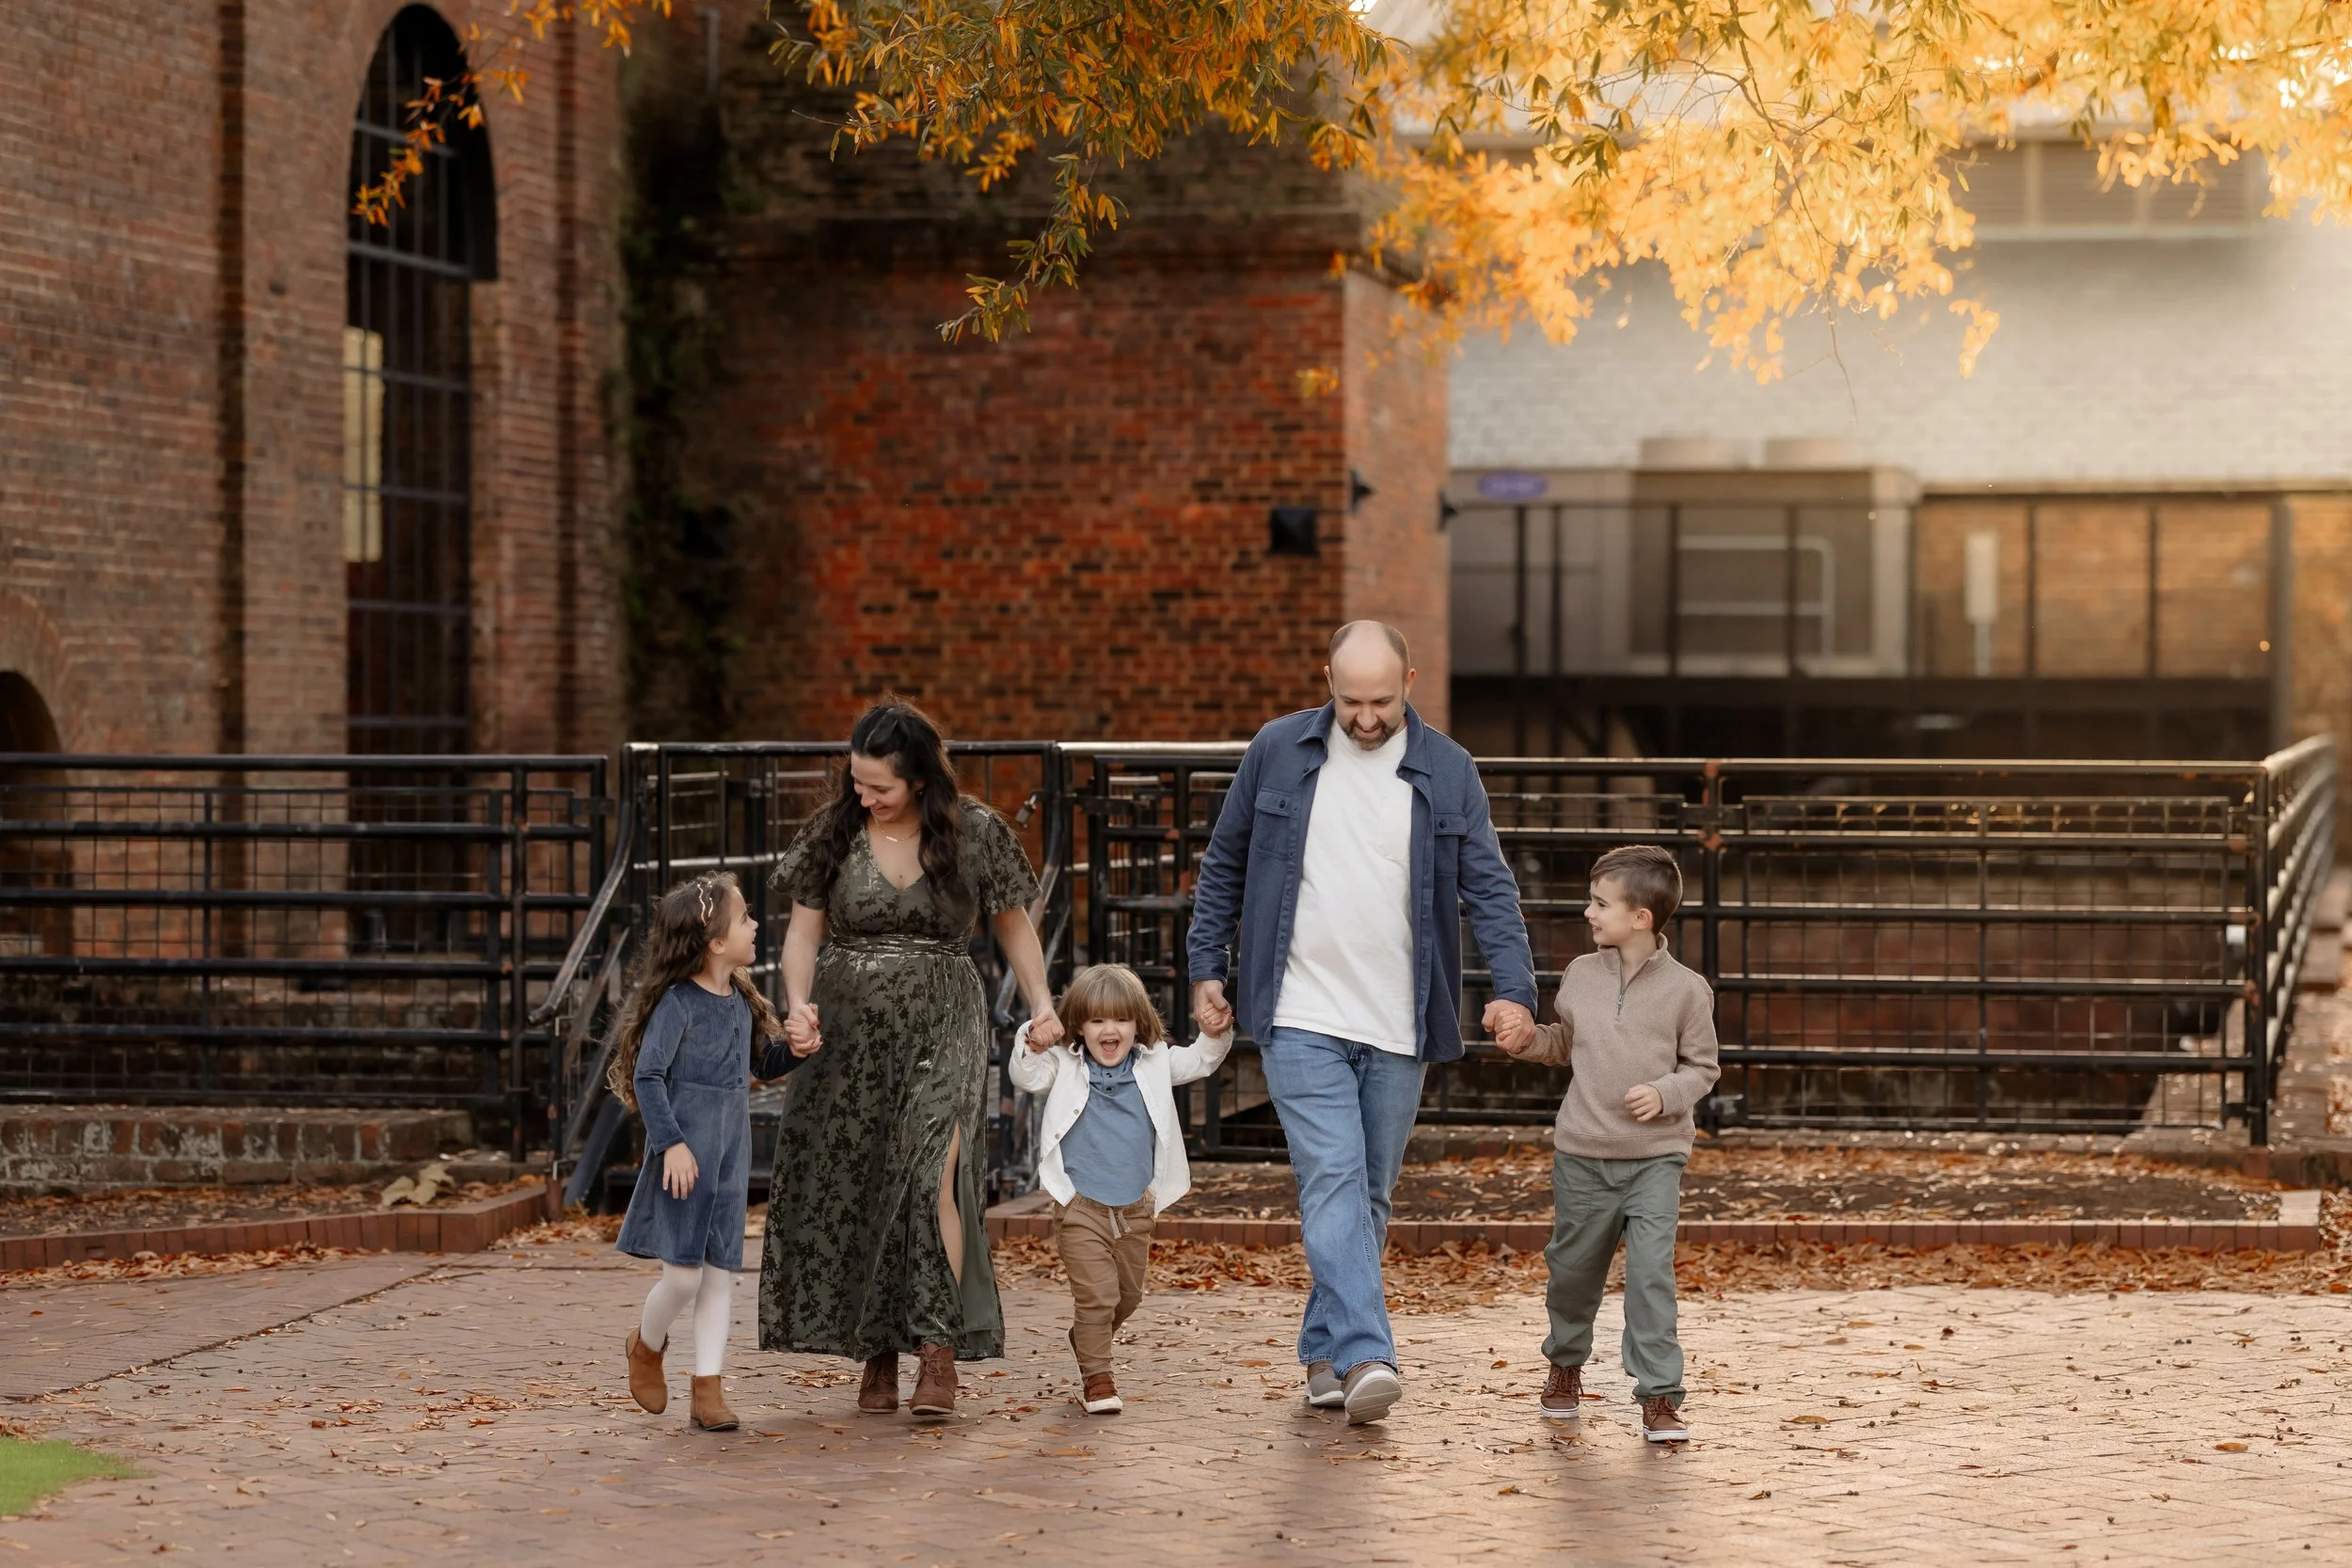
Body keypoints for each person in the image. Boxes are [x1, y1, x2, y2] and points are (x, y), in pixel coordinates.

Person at [1187, 621, 1538, 1425]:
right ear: (1328, 681)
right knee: (1334, 1177)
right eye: (1352, 701)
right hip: (1299, 1009)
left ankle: (1324, 1351)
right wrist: (1208, 967)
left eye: (1382, 700)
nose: (1368, 718)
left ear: (1409, 682)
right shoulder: (1277, 750)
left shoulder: (1448, 768)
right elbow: (1224, 862)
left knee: (1367, 1193)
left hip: (1398, 1019)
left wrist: (1515, 991)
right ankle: (1368, 1353)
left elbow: (1490, 886)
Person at [759, 699, 1062, 1420]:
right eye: (857, 782)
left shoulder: (973, 830)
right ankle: (877, 1351)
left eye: (880, 786)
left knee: (933, 1171)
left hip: (944, 1016)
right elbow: (802, 933)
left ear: (920, 779)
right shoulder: (834, 830)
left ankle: (936, 1347)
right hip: (849, 1030)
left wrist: (1042, 1002)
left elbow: (1014, 924)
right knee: (867, 1177)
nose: (864, 796)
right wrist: (796, 1003)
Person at [1493, 844, 1721, 1444]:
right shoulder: (1580, 974)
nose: (1588, 912)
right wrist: (1527, 1041)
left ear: (1640, 917)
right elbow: (1566, 1043)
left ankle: (1660, 1396)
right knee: (1572, 1274)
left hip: (1655, 1160)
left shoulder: (1688, 990)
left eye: (1600, 903)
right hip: (1583, 1157)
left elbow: (1702, 1068)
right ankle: (1565, 1365)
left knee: (1650, 1278)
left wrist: (1666, 1093)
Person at [612, 871, 810, 1433]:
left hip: (729, 1158)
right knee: (683, 1278)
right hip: (683, 1160)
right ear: (716, 942)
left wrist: (798, 1050)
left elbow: (762, 1063)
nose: (755, 926)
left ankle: (708, 1388)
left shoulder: (742, 1002)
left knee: (720, 1273)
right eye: (745, 918)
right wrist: (671, 1144)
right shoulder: (677, 1004)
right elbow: (648, 1076)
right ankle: (647, 1345)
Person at [1008, 963, 1234, 1415]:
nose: (1109, 1030)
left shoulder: (1156, 1063)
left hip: (1135, 1208)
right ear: (1078, 1027)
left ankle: (1086, 1338)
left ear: (1138, 1024)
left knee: (1127, 1297)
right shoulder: (1064, 1065)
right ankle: (1098, 1378)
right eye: (1096, 1020)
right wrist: (1031, 1042)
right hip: (1080, 1206)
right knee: (1097, 1298)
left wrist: (1215, 1033)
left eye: (1121, 1020)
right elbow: (1025, 1076)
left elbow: (1202, 1060)